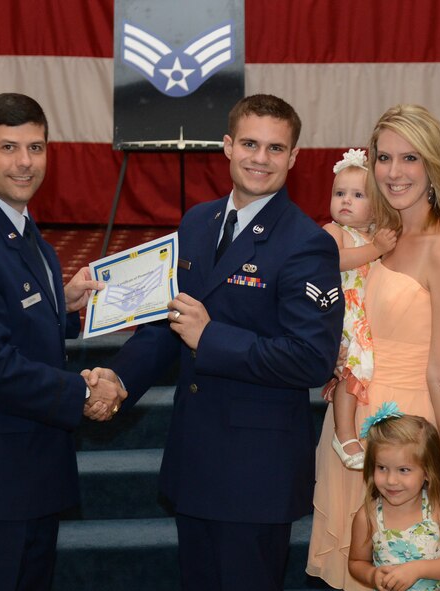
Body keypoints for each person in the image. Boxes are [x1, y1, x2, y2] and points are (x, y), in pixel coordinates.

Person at [85, 94, 343, 591]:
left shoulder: (306, 244)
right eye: (249, 143)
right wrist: (120, 378)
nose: (259, 159)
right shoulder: (197, 222)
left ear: (293, 157)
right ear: (227, 146)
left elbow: (312, 360)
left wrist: (213, 338)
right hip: (195, 457)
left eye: (275, 148)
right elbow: (168, 321)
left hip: (255, 474)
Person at [0, 93, 127, 590]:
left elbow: (14, 322)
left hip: (29, 476)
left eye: (36, 148)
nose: (24, 163)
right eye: (8, 147)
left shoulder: (21, 230)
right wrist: (83, 392)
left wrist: (65, 307)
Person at [308, 104, 440, 591]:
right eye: (384, 157)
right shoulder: (370, 236)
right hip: (350, 430)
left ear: (433, 165)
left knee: (412, 571)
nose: (394, 172)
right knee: (357, 571)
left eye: (410, 158)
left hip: (408, 430)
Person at [321, 148, 398, 470]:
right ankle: (344, 434)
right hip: (341, 318)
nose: (345, 201)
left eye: (357, 195)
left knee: (363, 373)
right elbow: (335, 261)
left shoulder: (372, 237)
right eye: (339, 193)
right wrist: (375, 249)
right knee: (349, 375)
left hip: (367, 319)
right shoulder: (333, 232)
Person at [349, 405, 440, 591]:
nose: (391, 480)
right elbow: (357, 561)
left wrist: (417, 569)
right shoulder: (368, 516)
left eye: (403, 470)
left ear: (427, 472)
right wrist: (372, 575)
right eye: (382, 468)